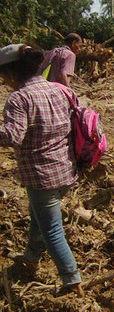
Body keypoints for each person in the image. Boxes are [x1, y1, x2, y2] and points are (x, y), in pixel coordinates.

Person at [0, 43, 83, 296]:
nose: (3, 82)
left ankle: (72, 281)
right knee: (39, 216)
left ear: (12, 73)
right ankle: (31, 257)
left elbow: (12, 137)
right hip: (67, 170)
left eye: (3, 77)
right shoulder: (59, 90)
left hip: (41, 175)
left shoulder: (19, 98)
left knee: (52, 230)